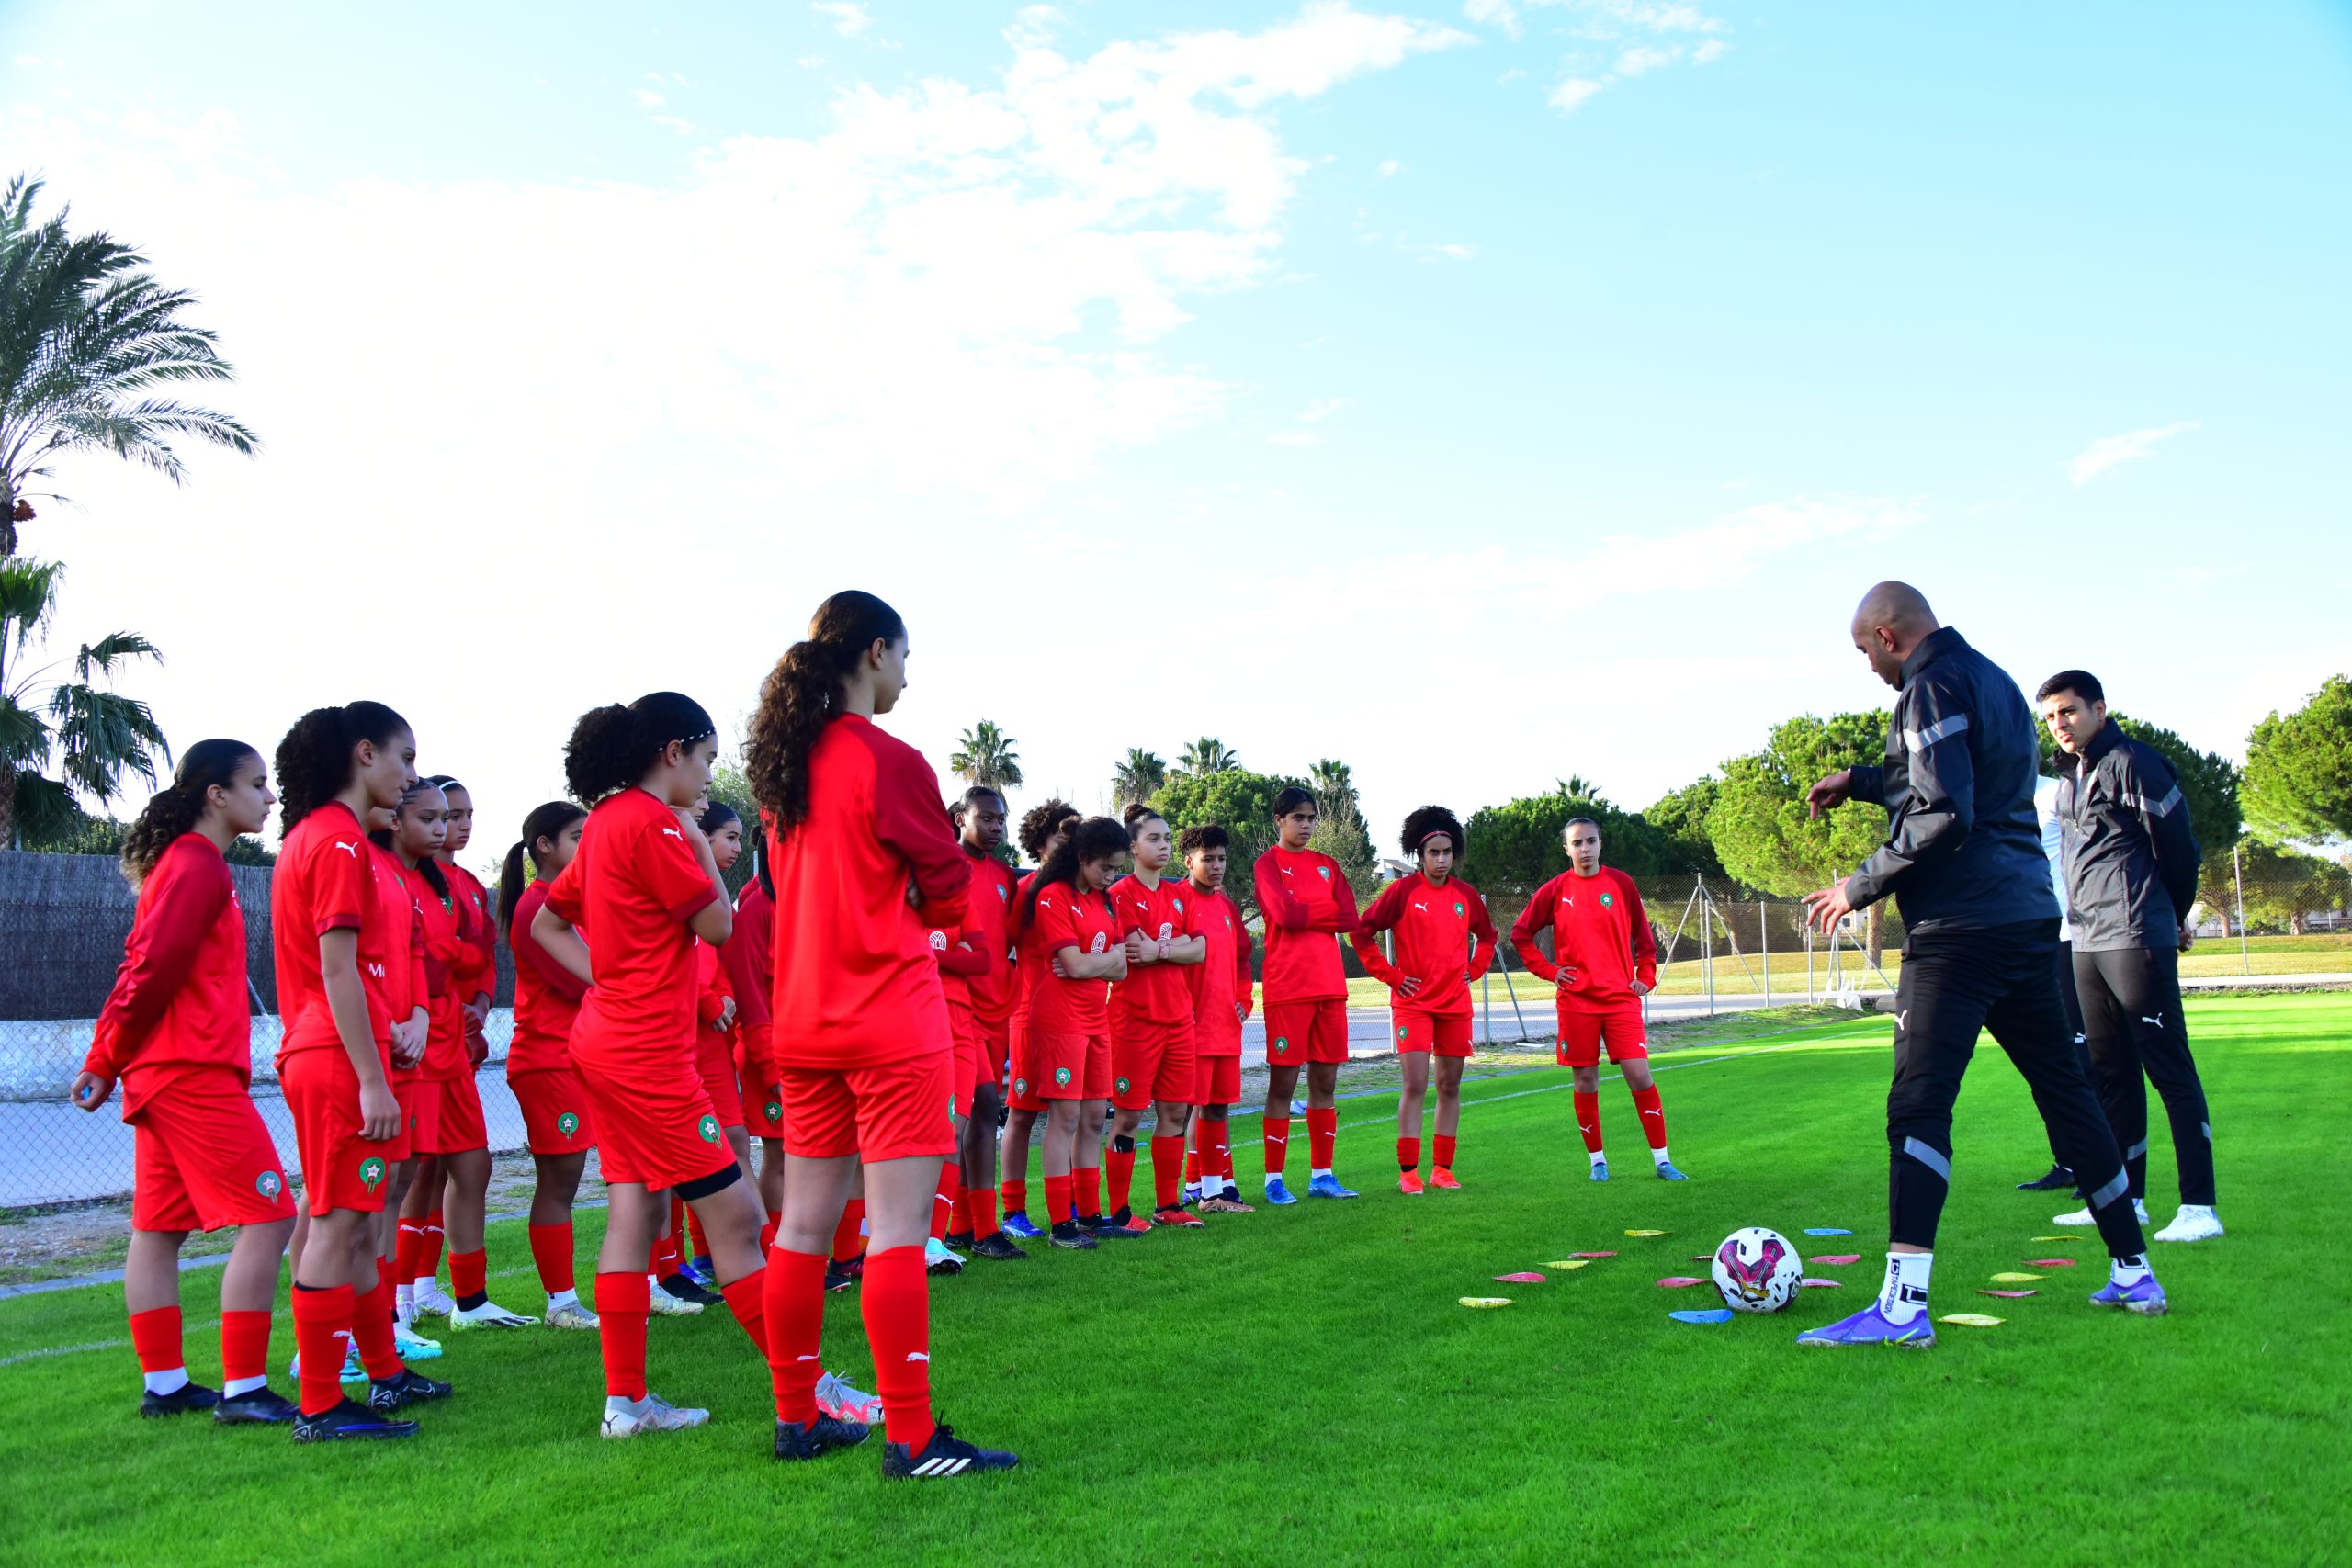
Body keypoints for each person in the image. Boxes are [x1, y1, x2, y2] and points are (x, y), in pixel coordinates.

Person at [1795, 582, 2165, 1348]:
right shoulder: (1994, 679)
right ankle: (2134, 1269)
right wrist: (1860, 781)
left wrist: (1858, 885)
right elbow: (1960, 778)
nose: (1868, 666)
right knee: (2067, 1093)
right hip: (2026, 918)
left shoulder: (1927, 687)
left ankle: (1902, 1308)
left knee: (1919, 1103)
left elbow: (1945, 809)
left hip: (1958, 932)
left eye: (1864, 650)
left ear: (1888, 636)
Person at [749, 590, 1018, 1479]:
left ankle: (797, 1418)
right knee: (897, 1230)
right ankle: (910, 1436)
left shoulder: (786, 768)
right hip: (889, 1017)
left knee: (802, 1227)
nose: (907, 675)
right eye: (904, 656)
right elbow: (950, 884)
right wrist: (919, 905)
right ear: (874, 653)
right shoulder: (887, 758)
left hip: (805, 1019)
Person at [531, 692, 775, 1439]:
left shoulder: (606, 820)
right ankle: (811, 1387)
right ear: (673, 752)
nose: (708, 777)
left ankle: (626, 1404)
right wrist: (696, 838)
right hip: (645, 1055)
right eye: (706, 759)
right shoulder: (652, 823)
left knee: (635, 1211)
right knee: (738, 1217)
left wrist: (605, 982)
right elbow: (719, 924)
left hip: (611, 1043)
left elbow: (548, 923)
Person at [72, 740, 300, 1424]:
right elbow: (148, 967)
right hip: (188, 1071)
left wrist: (109, 1060)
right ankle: (244, 1389)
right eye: (257, 784)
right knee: (271, 1215)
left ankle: (166, 1386)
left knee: (160, 1227)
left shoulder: (190, 863)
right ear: (215, 795)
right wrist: (104, 1057)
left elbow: (144, 966)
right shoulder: (197, 862)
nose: (270, 797)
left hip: (168, 1071)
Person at [268, 702, 450, 1439]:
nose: (410, 775)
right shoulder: (338, 842)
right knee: (338, 1223)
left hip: (336, 1052)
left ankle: (384, 1371)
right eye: (405, 758)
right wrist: (373, 1077)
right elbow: (337, 969)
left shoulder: (324, 836)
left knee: (357, 1222)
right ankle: (320, 1404)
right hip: (337, 1059)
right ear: (365, 753)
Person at [2037, 671, 2222, 1243]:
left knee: (2169, 1069)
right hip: (2085, 939)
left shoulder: (2135, 762)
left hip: (2136, 933)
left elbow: (2180, 849)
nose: (2060, 724)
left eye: (2068, 711)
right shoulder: (2069, 779)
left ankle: (2199, 1208)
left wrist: (2173, 915)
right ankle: (2127, 1200)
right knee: (2111, 1072)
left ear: (2099, 709)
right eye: (2051, 716)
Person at [385, 780, 536, 1332]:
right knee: (409, 1172)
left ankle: (467, 1300)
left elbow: (480, 956)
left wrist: (477, 1004)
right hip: (417, 1041)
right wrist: (453, 961)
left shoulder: (465, 885)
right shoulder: (395, 876)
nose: (458, 825)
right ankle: (398, 1301)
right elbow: (426, 955)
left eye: (464, 814)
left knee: (472, 1164)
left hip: (452, 1038)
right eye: (446, 815)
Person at [1509, 818, 1682, 1183]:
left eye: (1590, 841)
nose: (1584, 848)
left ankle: (1663, 1161)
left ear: (1601, 844)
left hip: (1620, 999)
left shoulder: (1621, 884)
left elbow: (1645, 940)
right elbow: (1521, 934)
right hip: (1576, 1002)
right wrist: (1550, 971)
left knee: (1639, 1075)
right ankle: (1598, 1162)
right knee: (1586, 1080)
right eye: (1577, 843)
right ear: (1567, 849)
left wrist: (1646, 977)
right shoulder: (1555, 889)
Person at [1354, 806, 1497, 1194]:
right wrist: (1392, 976)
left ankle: (1442, 1170)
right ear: (1420, 855)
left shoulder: (1465, 895)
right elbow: (1361, 933)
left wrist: (1476, 968)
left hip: (1455, 1004)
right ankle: (1408, 1172)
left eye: (1447, 852)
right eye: (1434, 852)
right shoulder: (1402, 892)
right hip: (1413, 1003)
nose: (1441, 859)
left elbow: (1487, 936)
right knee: (1415, 1083)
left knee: (1449, 1085)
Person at [497, 800, 601, 1328]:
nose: (588, 847)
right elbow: (582, 982)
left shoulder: (568, 902)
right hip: (548, 1058)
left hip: (573, 1056)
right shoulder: (536, 907)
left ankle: (650, 1282)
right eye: (578, 837)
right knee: (560, 1180)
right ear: (544, 846)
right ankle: (561, 1302)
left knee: (582, 1176)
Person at [1012, 816, 1135, 1246]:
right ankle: (1061, 1225)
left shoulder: (1105, 901)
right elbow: (1080, 965)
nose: (1111, 876)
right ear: (1082, 857)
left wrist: (1091, 964)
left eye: (1116, 868)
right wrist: (1100, 962)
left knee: (1093, 1117)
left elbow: (1118, 968)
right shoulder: (1052, 896)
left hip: (1095, 1017)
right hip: (1059, 1019)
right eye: (1105, 867)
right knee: (1064, 1118)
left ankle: (1089, 1214)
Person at [1251, 786, 1362, 1203]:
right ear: (1279, 820)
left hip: (1330, 987)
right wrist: (1317, 913)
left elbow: (1349, 916)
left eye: (1311, 818)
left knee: (1325, 1081)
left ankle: (1322, 1176)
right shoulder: (1268, 864)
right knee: (1283, 1083)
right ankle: (1273, 1179)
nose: (1306, 825)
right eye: (1298, 817)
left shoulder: (1327, 865)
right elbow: (1284, 914)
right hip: (1288, 987)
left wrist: (1304, 912)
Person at [1105, 805, 1207, 1230]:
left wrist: (1162, 949)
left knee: (1174, 1114)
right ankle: (1119, 1212)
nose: (1163, 845)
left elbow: (1199, 949)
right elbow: (1134, 951)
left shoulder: (1181, 893)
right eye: (1153, 839)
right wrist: (1176, 946)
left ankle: (1168, 1206)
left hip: (1179, 1020)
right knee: (1128, 1116)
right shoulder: (1121, 893)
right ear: (1132, 847)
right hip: (1134, 1022)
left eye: (1166, 838)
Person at [946, 787, 1024, 1260]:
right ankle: (983, 1229)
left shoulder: (1004, 876)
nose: (996, 828)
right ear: (961, 818)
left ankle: (963, 1227)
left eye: (1001, 820)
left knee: (978, 1112)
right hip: (959, 1008)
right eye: (987, 819)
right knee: (982, 1106)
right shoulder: (942, 868)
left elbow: (1005, 940)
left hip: (997, 1008)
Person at [999, 798, 1080, 1244]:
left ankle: (1069, 1204)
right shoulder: (1027, 889)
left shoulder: (1083, 891)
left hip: (1075, 1020)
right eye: (1060, 837)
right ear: (1040, 843)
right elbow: (1002, 947)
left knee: (1071, 1114)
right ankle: (1013, 1210)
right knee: (1023, 1113)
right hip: (1030, 1016)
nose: (1069, 845)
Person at [2017, 773, 2093, 1193]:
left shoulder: (2057, 792)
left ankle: (2099, 1164)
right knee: (2040, 1060)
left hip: (2067, 935)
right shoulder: (1986, 794)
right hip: (2023, 941)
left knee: (2082, 1057)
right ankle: (2067, 1162)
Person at [1179, 824, 1255, 1213]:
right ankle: (1187, 1190)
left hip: (1226, 1025)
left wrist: (1244, 998)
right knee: (1182, 1110)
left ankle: (1212, 1192)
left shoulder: (1226, 906)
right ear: (1188, 861)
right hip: (1190, 1027)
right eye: (1208, 859)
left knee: (1218, 1108)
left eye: (1221, 859)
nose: (1216, 866)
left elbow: (1242, 960)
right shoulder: (1177, 901)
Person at [727, 845, 786, 1254]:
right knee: (781, 1155)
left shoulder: (807, 904)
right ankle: (778, 1249)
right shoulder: (756, 909)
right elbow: (749, 998)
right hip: (771, 1054)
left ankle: (840, 1251)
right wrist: (770, 1065)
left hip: (811, 1052)